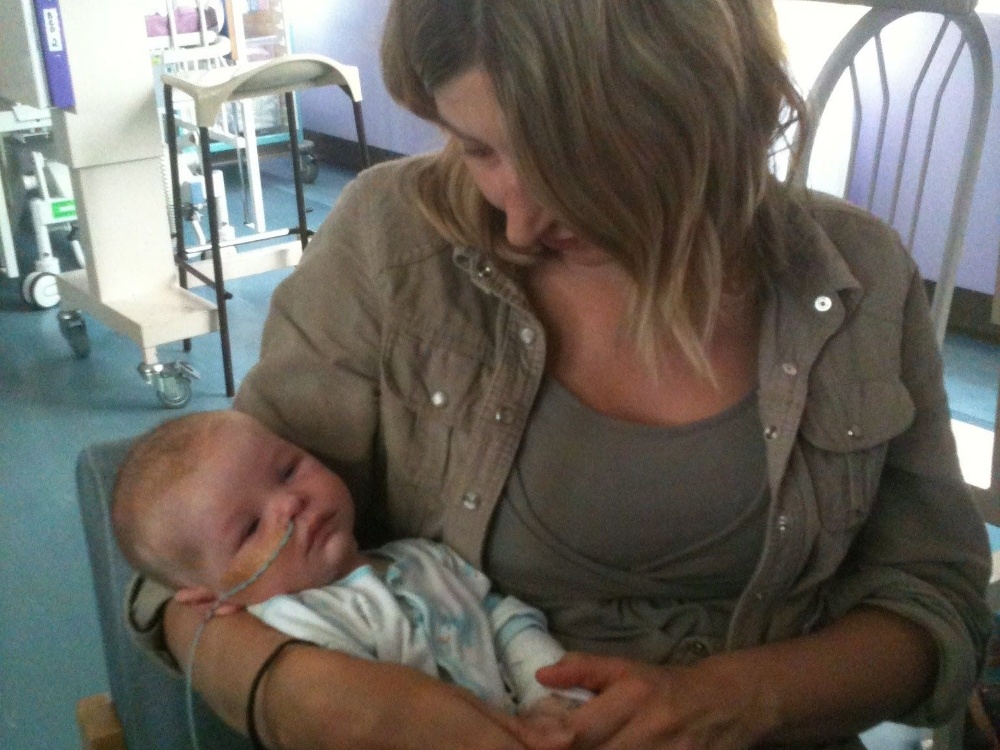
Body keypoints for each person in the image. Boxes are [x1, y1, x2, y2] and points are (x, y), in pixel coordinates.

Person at [125, 1, 992, 749]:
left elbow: (934, 601)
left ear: (703, 114)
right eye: (479, 150)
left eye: (575, 167)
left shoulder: (855, 277)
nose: (521, 221)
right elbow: (189, 559)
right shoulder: (391, 244)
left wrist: (737, 703)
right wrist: (308, 697)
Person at [112, 410, 587, 726]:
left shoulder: (424, 558)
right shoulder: (296, 630)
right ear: (208, 597)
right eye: (251, 527)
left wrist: (549, 692)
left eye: (287, 471)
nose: (290, 503)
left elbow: (501, 620)